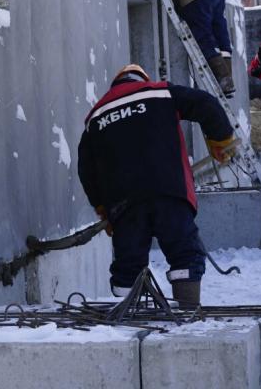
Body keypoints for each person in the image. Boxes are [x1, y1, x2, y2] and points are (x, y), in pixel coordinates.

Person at [77, 63, 235, 306]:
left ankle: (128, 318)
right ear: (141, 79)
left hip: (123, 203)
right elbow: (206, 104)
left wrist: (102, 208)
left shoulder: (96, 116)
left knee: (128, 264)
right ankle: (187, 312)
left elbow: (86, 169)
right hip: (168, 191)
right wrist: (221, 139)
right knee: (184, 253)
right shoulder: (159, 92)